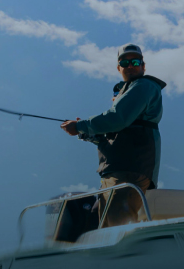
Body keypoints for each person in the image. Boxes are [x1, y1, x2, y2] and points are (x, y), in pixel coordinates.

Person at [61, 43, 164, 226]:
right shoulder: (130, 90)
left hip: (130, 168)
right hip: (116, 170)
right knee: (102, 223)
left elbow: (118, 118)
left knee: (117, 223)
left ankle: (124, 253)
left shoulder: (143, 86)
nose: (130, 65)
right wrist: (83, 131)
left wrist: (81, 125)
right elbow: (113, 133)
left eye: (135, 61)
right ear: (119, 68)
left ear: (143, 66)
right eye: (124, 62)